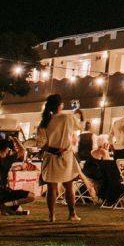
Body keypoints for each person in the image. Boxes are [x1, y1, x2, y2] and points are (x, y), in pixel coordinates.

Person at [38, 94, 82, 223]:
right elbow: (79, 127)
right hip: (65, 156)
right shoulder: (67, 117)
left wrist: (53, 150)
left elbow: (41, 144)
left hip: (51, 157)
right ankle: (72, 213)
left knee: (51, 188)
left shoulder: (44, 122)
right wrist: (79, 114)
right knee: (69, 186)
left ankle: (51, 216)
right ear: (60, 105)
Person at [0, 130, 30, 217]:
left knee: (19, 208)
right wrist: (15, 139)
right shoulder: (5, 160)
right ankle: (5, 205)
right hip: (2, 192)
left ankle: (0, 206)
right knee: (31, 196)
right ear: (6, 148)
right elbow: (23, 151)